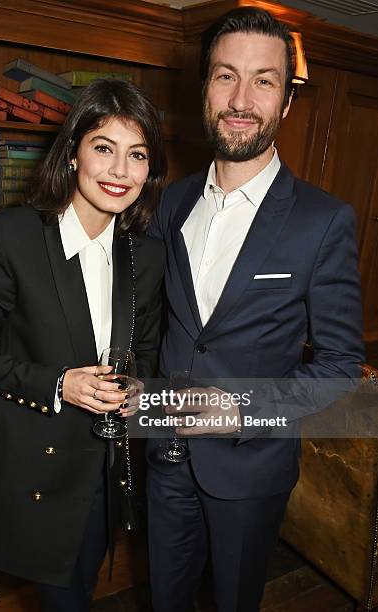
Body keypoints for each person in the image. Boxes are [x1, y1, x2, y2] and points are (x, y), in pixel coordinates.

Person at [146, 7, 364, 612]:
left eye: (263, 80)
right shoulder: (172, 200)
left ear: (286, 102)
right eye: (225, 76)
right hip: (164, 456)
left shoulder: (324, 222)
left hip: (250, 469)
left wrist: (237, 408)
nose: (241, 99)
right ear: (204, 88)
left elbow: (342, 365)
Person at [0, 78, 166, 611]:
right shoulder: (14, 235)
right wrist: (59, 384)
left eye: (136, 155)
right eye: (104, 148)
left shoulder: (147, 259)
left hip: (102, 476)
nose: (119, 171)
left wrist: (138, 390)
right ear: (72, 153)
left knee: (81, 590)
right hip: (30, 471)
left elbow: (149, 354)